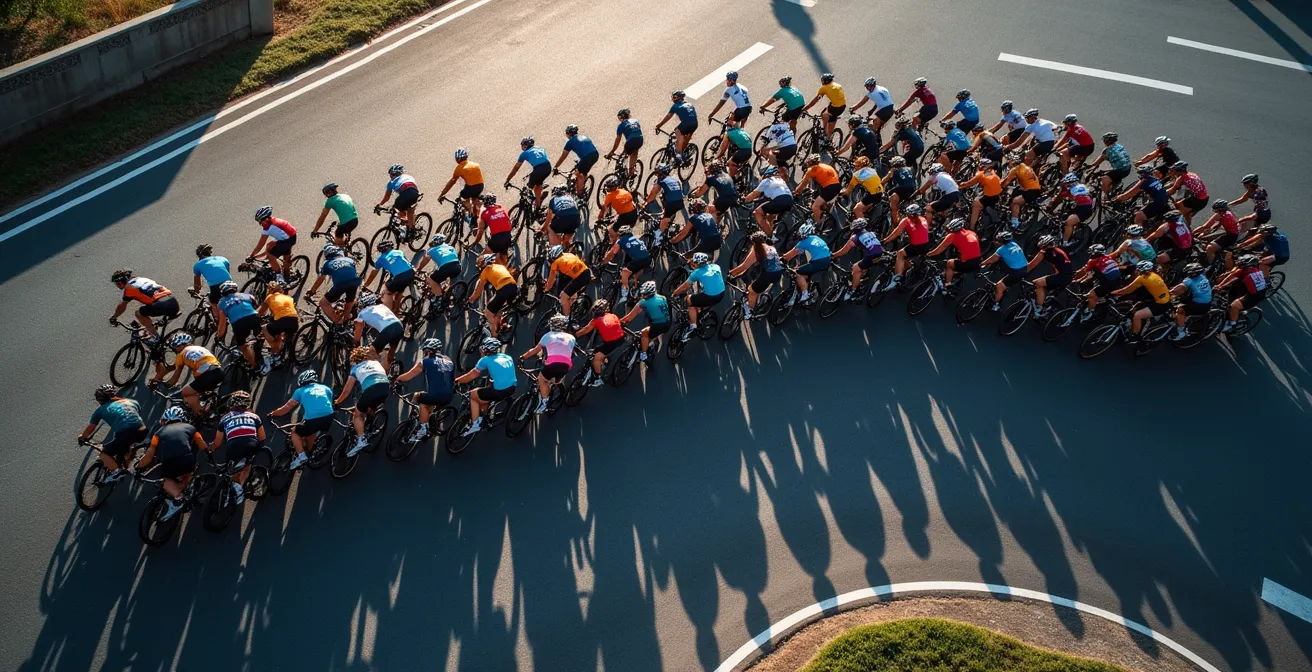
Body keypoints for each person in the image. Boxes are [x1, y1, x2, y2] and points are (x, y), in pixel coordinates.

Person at [135, 406, 206, 520]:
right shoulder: (191, 428)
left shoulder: (158, 434)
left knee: (165, 480)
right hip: (188, 459)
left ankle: (179, 499)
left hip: (170, 461)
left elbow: (148, 456)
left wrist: (139, 467)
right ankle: (187, 491)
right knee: (187, 473)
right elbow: (203, 446)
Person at [268, 370, 335, 471]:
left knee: (294, 431)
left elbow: (287, 408)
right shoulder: (326, 388)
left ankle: (301, 456)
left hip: (313, 420)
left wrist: (273, 414)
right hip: (329, 417)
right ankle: (310, 451)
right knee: (309, 432)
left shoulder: (300, 391)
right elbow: (329, 402)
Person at [79, 384, 147, 483]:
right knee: (123, 448)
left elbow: (91, 427)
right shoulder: (132, 402)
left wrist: (83, 437)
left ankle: (116, 472)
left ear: (99, 400)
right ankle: (129, 466)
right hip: (142, 430)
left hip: (125, 434)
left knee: (104, 454)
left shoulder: (100, 410)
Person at [210, 391, 265, 505]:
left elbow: (218, 442)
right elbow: (262, 437)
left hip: (233, 448)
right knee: (247, 466)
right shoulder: (254, 416)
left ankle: (233, 489)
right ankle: (240, 490)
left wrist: (210, 450)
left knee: (233, 470)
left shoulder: (224, 418)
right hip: (251, 444)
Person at [334, 346, 391, 456]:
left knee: (356, 415)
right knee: (370, 404)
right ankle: (371, 419)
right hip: (385, 388)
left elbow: (346, 391)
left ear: (356, 360)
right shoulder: (376, 363)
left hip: (371, 391)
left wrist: (337, 402)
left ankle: (361, 439)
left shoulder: (355, 369)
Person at [454, 338, 517, 436]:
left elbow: (472, 375)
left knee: (473, 395)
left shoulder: (485, 360)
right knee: (485, 396)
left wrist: (456, 381)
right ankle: (486, 415)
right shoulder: (507, 356)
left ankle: (476, 424)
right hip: (512, 387)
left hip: (499, 391)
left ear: (486, 350)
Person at [396, 338, 455, 441]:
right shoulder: (449, 361)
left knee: (420, 400)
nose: (423, 353)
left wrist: (397, 380)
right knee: (423, 396)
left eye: (425, 351)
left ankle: (423, 428)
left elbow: (408, 376)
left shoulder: (426, 361)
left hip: (435, 396)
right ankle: (428, 415)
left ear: (430, 351)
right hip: (449, 396)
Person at [150, 333, 222, 416]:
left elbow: (174, 379)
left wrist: (163, 384)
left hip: (207, 375)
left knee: (185, 393)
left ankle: (200, 414)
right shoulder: (199, 348)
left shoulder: (181, 354)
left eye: (176, 347)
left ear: (181, 346)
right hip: (218, 371)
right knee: (197, 388)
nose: (175, 349)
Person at [520, 317, 575, 412]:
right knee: (556, 379)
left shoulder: (548, 336)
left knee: (542, 380)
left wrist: (523, 357)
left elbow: (535, 350)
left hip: (552, 365)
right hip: (566, 365)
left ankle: (544, 402)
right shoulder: (571, 337)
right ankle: (555, 387)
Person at [109, 269, 179, 340]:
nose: (117, 285)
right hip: (173, 301)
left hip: (160, 305)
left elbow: (122, 306)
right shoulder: (142, 279)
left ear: (123, 281)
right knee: (149, 309)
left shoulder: (129, 287)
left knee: (138, 313)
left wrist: (114, 317)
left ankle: (155, 337)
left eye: (118, 283)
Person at [1111, 260, 1173, 339]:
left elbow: (1125, 291)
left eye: (1138, 270)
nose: (1136, 271)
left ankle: (1135, 336)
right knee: (1136, 307)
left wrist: (1111, 293)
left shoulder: (1142, 278)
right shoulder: (1155, 274)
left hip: (1160, 305)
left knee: (1137, 315)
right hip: (1161, 299)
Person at [727, 231, 783, 319]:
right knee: (758, 285)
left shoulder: (756, 251)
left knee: (751, 291)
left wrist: (731, 273)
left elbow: (744, 266)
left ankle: (750, 311)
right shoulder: (771, 246)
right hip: (778, 273)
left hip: (767, 275)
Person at [215, 280, 266, 375]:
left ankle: (254, 366)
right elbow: (256, 308)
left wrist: (219, 336)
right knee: (259, 335)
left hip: (238, 324)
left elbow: (222, 323)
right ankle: (260, 348)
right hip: (253, 317)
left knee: (243, 346)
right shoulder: (248, 296)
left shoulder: (221, 303)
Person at [672, 252, 725, 340]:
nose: (693, 264)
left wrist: (674, 293)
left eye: (694, 263)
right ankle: (699, 311)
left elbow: (684, 287)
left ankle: (693, 327)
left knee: (689, 301)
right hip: (721, 293)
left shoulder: (697, 273)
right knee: (699, 299)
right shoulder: (716, 266)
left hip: (711, 296)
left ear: (698, 264)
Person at [829, 218, 886, 299]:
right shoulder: (870, 233)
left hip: (871, 256)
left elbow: (843, 251)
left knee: (855, 268)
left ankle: (852, 290)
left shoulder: (854, 238)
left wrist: (833, 255)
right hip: (880, 253)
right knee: (864, 265)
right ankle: (861, 277)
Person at [305, 243, 360, 325]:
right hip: (354, 282)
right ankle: (347, 316)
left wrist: (312, 290)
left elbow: (320, 279)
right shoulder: (349, 260)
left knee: (323, 303)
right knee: (350, 300)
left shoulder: (327, 264)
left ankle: (337, 322)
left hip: (340, 285)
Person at [574, 300, 625, 387]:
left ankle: (598, 378)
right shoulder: (613, 315)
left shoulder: (596, 320)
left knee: (596, 358)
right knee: (598, 350)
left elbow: (586, 330)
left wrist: (574, 335)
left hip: (611, 343)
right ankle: (604, 360)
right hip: (620, 338)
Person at [883, 204, 932, 290]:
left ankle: (897, 279)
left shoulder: (906, 220)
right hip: (926, 245)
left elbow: (896, 232)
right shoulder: (923, 219)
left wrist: (886, 240)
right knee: (907, 255)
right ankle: (907, 269)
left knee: (900, 254)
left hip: (916, 246)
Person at [1214, 254, 1268, 332]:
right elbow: (1231, 276)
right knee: (1231, 293)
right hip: (1248, 288)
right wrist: (1219, 286)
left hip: (1255, 295)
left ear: (1248, 266)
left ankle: (1231, 324)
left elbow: (1231, 281)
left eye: (1242, 264)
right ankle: (1229, 313)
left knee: (1234, 305)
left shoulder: (1249, 275)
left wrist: (1220, 287)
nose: (1240, 264)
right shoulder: (1246, 269)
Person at [468, 254, 517, 338]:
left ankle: (495, 336)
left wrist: (471, 299)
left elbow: (478, 291)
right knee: (498, 306)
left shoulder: (486, 271)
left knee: (488, 314)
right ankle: (502, 324)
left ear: (485, 264)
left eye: (480, 264)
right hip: (513, 287)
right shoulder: (500, 266)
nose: (479, 267)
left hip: (503, 290)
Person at [780, 223, 830, 306]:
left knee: (797, 273)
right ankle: (805, 288)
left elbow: (788, 256)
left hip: (818, 262)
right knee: (804, 274)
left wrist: (780, 260)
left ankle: (805, 295)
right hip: (827, 259)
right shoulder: (816, 237)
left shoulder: (802, 243)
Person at [620, 281, 672, 360]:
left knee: (644, 333)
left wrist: (618, 322)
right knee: (651, 334)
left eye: (644, 294)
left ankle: (643, 354)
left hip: (658, 325)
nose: (642, 296)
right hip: (667, 322)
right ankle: (650, 342)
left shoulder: (643, 302)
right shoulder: (662, 297)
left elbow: (629, 318)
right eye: (642, 293)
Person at [926, 218, 982, 291]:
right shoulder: (972, 233)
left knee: (949, 263)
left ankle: (947, 285)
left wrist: (929, 254)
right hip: (977, 260)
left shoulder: (952, 236)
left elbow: (938, 251)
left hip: (967, 263)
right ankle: (953, 274)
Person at [353, 291, 403, 371]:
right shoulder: (382, 306)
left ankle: (376, 372)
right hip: (399, 326)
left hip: (388, 329)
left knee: (372, 352)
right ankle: (387, 372)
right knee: (391, 352)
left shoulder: (362, 313)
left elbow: (358, 333)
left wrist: (356, 344)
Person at [980, 230, 1029, 311]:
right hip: (1025, 266)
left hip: (1017, 272)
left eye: (999, 241)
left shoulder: (1002, 249)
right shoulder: (1015, 244)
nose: (997, 242)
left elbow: (992, 259)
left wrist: (982, 263)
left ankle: (996, 304)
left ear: (1003, 242)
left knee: (999, 285)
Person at [1073, 243, 1124, 322]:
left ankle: (1089, 313)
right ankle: (1099, 299)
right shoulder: (1108, 257)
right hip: (1117, 280)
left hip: (1108, 282)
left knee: (1091, 296)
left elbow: (1085, 272)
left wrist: (1076, 280)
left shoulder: (1093, 261)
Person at [1026, 235, 1074, 315]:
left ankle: (1039, 309)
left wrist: (1019, 273)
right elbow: (1058, 265)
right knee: (1042, 282)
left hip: (1063, 277)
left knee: (1038, 283)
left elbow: (1031, 266)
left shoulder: (1043, 253)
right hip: (1068, 276)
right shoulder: (1058, 250)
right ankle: (1043, 299)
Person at [602, 224, 651, 303]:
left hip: (639, 260)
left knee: (624, 273)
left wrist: (604, 261)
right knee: (638, 267)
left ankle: (624, 293)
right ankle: (635, 282)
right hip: (647, 259)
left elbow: (613, 252)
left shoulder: (620, 240)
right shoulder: (634, 238)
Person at [363, 239, 414, 312]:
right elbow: (406, 262)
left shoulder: (381, 259)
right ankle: (396, 309)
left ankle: (389, 313)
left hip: (400, 277)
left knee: (388, 292)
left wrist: (366, 284)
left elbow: (374, 272)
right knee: (399, 291)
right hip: (410, 273)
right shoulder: (398, 252)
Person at [743, 166, 792, 240]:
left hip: (780, 200)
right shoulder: (780, 180)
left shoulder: (766, 181)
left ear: (766, 175)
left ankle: (771, 238)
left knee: (757, 212)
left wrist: (744, 200)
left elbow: (753, 194)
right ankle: (770, 229)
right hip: (789, 199)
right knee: (769, 213)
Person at [544, 245, 591, 321]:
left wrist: (546, 290)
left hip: (580, 278)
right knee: (569, 292)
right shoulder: (569, 254)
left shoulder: (555, 263)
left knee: (563, 297)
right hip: (586, 272)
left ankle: (567, 320)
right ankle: (572, 302)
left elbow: (551, 281)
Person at [258, 279, 298, 368]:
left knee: (265, 328)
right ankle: (284, 351)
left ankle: (275, 349)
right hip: (294, 321)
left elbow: (260, 313)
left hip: (282, 321)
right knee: (279, 330)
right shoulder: (287, 297)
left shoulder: (270, 297)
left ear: (270, 290)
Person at [1046, 173, 1094, 246]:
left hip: (1085, 209)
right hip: (1080, 205)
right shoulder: (1079, 186)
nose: (1064, 186)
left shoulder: (1071, 190)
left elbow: (1059, 197)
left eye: (1065, 184)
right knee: (1063, 215)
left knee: (1069, 222)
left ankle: (1065, 242)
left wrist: (1050, 204)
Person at [643, 163, 685, 246]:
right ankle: (669, 218)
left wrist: (646, 203)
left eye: (657, 173)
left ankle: (658, 237)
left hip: (672, 203)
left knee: (663, 220)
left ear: (661, 174)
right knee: (664, 198)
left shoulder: (660, 180)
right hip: (680, 202)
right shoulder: (674, 179)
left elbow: (653, 195)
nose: (656, 175)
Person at [248, 206, 297, 276]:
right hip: (287, 237)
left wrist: (251, 255)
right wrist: (255, 256)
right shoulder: (270, 222)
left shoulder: (269, 228)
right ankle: (287, 273)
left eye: (261, 221)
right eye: (259, 222)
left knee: (270, 256)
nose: (260, 224)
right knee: (270, 246)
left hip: (288, 239)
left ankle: (279, 277)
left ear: (267, 218)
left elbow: (260, 245)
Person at [438, 149, 485, 222]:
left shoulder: (459, 168)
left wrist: (442, 193)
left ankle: (470, 211)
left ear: (458, 159)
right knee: (474, 198)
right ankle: (475, 217)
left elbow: (451, 182)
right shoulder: (476, 164)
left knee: (463, 198)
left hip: (470, 188)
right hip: (480, 186)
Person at [377, 165, 421, 240]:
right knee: (409, 210)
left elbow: (387, 197)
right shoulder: (407, 176)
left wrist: (379, 205)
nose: (390, 176)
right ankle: (411, 230)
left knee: (396, 209)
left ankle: (405, 223)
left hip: (406, 194)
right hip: (415, 193)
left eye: (391, 174)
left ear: (396, 174)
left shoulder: (391, 183)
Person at [554, 125, 600, 196]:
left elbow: (563, 156)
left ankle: (579, 195)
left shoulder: (570, 142)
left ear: (569, 133)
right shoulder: (584, 136)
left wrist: (556, 166)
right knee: (583, 171)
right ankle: (583, 181)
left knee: (578, 174)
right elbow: (586, 148)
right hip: (595, 154)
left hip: (586, 158)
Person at [795, 156, 842, 226]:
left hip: (829, 188)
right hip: (836, 185)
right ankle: (824, 207)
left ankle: (817, 225)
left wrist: (796, 192)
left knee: (815, 207)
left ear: (810, 163)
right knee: (819, 197)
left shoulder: (811, 170)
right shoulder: (824, 165)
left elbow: (803, 184)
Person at [1171, 263, 1212, 341]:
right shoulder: (1202, 276)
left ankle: (1181, 332)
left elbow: (1176, 291)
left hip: (1200, 304)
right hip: (1207, 301)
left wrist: (1169, 292)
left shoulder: (1189, 281)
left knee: (1180, 310)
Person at [505, 137, 551, 208]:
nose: (522, 147)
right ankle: (538, 205)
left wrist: (508, 180)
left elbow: (515, 168)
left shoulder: (524, 153)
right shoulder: (540, 148)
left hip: (538, 169)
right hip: (548, 167)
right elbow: (541, 160)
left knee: (528, 189)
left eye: (523, 145)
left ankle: (529, 204)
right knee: (537, 185)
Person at [1000, 152, 1042, 230]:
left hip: (1031, 191)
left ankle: (1015, 223)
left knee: (1015, 202)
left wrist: (1000, 185)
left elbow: (1006, 183)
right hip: (1037, 189)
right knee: (1017, 189)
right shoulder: (1025, 166)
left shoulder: (1014, 170)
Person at [416, 233, 461, 304]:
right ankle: (448, 292)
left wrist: (419, 269)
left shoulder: (432, 250)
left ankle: (439, 298)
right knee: (447, 275)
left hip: (445, 267)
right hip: (457, 266)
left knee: (431, 279)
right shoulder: (450, 247)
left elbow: (426, 260)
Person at [1195, 199, 1242, 266]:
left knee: (1209, 248)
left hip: (1231, 236)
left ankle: (1212, 266)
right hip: (1234, 233)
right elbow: (1218, 224)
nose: (1214, 211)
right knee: (1207, 238)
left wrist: (1193, 233)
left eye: (1215, 210)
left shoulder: (1219, 215)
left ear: (1219, 210)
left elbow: (1205, 226)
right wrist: (1209, 230)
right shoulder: (1228, 212)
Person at [311, 183, 360, 248]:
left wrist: (315, 230)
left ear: (329, 193)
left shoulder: (330, 201)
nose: (326, 196)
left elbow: (322, 217)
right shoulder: (346, 195)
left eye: (326, 194)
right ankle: (346, 244)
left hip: (347, 223)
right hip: (355, 219)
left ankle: (342, 252)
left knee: (338, 235)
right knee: (340, 227)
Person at [959, 158, 1003, 230]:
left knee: (975, 206)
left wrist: (960, 185)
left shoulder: (980, 175)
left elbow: (968, 184)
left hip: (989, 197)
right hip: (997, 195)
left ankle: (972, 228)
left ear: (982, 166)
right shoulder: (992, 171)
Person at [654, 90, 698, 160]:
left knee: (678, 132)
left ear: (679, 98)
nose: (673, 99)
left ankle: (678, 155)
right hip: (695, 123)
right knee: (686, 137)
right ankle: (683, 154)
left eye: (674, 97)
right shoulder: (689, 104)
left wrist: (659, 125)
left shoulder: (675, 105)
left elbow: (668, 116)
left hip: (687, 123)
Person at [693, 161, 739, 226]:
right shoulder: (726, 174)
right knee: (719, 206)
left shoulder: (711, 179)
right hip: (735, 197)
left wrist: (693, 195)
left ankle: (712, 226)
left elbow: (699, 194)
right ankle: (719, 216)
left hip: (723, 200)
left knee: (708, 210)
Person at [191, 244, 230, 322]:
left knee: (212, 301)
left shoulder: (198, 265)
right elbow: (226, 273)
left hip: (215, 286)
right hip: (229, 284)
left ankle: (219, 320)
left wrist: (196, 291)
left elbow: (197, 284)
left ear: (200, 255)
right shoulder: (223, 259)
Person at [802, 72, 845, 140]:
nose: (821, 81)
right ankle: (828, 135)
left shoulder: (824, 88)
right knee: (829, 115)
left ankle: (826, 135)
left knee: (825, 115)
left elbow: (815, 101)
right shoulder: (837, 85)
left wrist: (805, 108)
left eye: (822, 80)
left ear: (826, 81)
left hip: (835, 107)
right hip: (842, 106)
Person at [842, 156, 885, 222]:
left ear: (860, 166)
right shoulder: (872, 170)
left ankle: (862, 226)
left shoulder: (856, 175)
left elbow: (848, 191)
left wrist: (841, 193)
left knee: (856, 210)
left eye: (856, 166)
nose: (855, 168)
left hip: (872, 195)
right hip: (881, 191)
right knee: (864, 207)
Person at [1164, 161, 1209, 225]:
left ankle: (1177, 226)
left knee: (1177, 213)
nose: (1173, 172)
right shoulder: (1192, 174)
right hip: (1204, 198)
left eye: (1174, 171)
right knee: (1186, 213)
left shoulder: (1183, 178)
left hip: (1199, 200)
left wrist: (1162, 193)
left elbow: (1173, 190)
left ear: (1179, 171)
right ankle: (1188, 226)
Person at [476, 192, 515, 259]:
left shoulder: (484, 213)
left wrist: (475, 242)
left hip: (497, 239)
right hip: (508, 236)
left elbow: (480, 232)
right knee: (503, 259)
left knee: (480, 259)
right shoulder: (502, 209)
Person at [608, 108, 644, 177]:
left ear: (622, 117)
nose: (619, 119)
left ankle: (623, 173)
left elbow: (617, 141)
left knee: (624, 155)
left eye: (619, 118)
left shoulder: (621, 126)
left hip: (630, 141)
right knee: (635, 151)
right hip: (640, 139)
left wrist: (612, 151)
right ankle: (631, 171)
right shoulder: (636, 121)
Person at [883, 156, 918, 222]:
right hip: (913, 189)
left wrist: (886, 190)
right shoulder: (911, 169)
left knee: (893, 203)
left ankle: (895, 222)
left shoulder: (894, 170)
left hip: (902, 189)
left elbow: (889, 183)